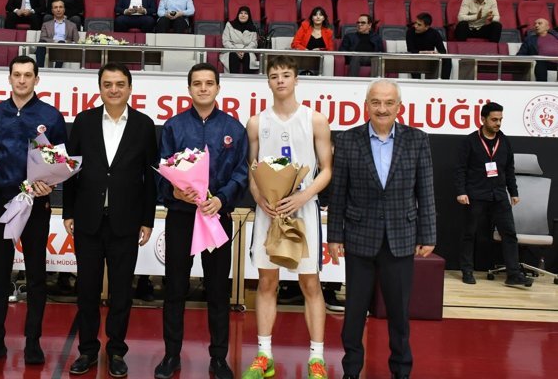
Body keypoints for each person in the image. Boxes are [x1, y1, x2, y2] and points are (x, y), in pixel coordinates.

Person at [327, 79, 437, 379]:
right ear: (367, 105)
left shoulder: (418, 140)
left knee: (399, 313)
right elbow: (339, 191)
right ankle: (351, 369)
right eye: (376, 102)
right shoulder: (348, 140)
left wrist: (428, 234)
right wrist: (334, 235)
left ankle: (401, 369)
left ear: (399, 107)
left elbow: (425, 191)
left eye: (389, 103)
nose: (382, 108)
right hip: (359, 238)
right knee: (354, 313)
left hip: (401, 238)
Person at [62, 62, 158, 378]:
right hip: (88, 219)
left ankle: (116, 351)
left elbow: (151, 178)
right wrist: (68, 211)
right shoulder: (84, 121)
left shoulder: (144, 125)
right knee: (86, 291)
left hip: (126, 222)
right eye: (107, 84)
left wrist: (147, 220)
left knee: (121, 292)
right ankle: (88, 350)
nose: (113, 89)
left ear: (130, 88)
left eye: (119, 84)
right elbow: (70, 170)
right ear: (100, 88)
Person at [154, 63, 248, 379]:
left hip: (216, 217)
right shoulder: (173, 126)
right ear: (189, 88)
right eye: (197, 83)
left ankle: (219, 358)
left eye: (209, 83)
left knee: (218, 290)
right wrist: (176, 193)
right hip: (181, 218)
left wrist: (221, 199)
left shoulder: (235, 129)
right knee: (176, 288)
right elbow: (163, 169)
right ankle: (171, 355)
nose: (203, 88)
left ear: (218, 88)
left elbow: (241, 172)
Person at [242, 55, 333, 379]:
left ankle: (317, 358)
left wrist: (303, 196)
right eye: (274, 75)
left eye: (286, 75)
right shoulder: (256, 122)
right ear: (268, 81)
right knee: (267, 281)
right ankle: (264, 354)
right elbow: (252, 170)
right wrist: (259, 198)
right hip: (269, 212)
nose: (280, 80)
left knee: (310, 283)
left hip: (303, 211)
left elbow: (327, 170)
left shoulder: (315, 120)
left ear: (296, 80)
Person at [0, 55, 68, 367]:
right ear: (10, 78)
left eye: (28, 75)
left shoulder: (51, 116)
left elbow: (60, 163)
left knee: (36, 273)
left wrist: (50, 185)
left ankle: (33, 343)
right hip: (2, 200)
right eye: (17, 75)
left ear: (37, 79)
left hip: (36, 202)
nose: (22, 80)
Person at [455, 102, 532, 287]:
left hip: (498, 195)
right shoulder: (470, 141)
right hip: (475, 194)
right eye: (494, 119)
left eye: (500, 119)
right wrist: (461, 192)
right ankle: (467, 270)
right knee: (469, 234)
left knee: (509, 234)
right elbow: (460, 169)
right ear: (483, 119)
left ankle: (513, 274)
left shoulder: (504, 141)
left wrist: (513, 192)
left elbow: (509, 169)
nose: (498, 123)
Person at [406, 12, 452, 80]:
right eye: (415, 23)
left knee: (447, 59)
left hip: (430, 59)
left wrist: (437, 54)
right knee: (413, 60)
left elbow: (442, 51)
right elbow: (410, 49)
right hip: (416, 57)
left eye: (419, 25)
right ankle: (416, 83)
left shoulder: (434, 33)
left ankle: (444, 82)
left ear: (427, 27)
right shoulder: (410, 32)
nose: (415, 26)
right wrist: (423, 52)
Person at [36, 0, 78, 67]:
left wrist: (64, 42)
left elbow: (76, 41)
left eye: (60, 7)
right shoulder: (46, 24)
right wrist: (55, 41)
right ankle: (39, 69)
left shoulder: (72, 25)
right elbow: (43, 38)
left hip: (64, 47)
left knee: (61, 43)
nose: (58, 10)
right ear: (52, 11)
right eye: (56, 7)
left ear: (64, 9)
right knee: (41, 43)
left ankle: (57, 69)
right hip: (49, 46)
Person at [221, 5, 258, 74]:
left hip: (247, 50)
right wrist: (236, 50)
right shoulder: (229, 25)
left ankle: (248, 81)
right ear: (238, 15)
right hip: (231, 49)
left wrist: (244, 51)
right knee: (233, 55)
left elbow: (254, 43)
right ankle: (232, 80)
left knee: (248, 56)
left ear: (249, 16)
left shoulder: (253, 28)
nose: (243, 15)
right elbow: (225, 41)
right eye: (241, 13)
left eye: (246, 13)